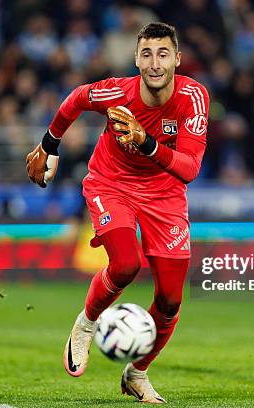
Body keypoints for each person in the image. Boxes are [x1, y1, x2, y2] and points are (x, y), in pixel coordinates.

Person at [26, 22, 209, 404]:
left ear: (177, 59)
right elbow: (76, 99)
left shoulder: (194, 97)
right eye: (147, 54)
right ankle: (86, 323)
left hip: (165, 194)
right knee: (125, 264)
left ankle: (137, 373)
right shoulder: (117, 92)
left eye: (163, 54)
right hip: (112, 184)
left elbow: (190, 169)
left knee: (171, 299)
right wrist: (49, 145)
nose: (155, 63)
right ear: (136, 60)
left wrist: (146, 143)